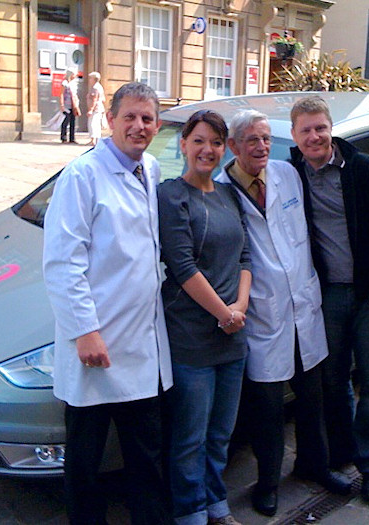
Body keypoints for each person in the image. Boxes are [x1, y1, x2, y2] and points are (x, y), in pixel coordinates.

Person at [43, 82, 172, 525]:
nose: (139, 126)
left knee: (147, 456)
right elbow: (62, 262)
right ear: (112, 119)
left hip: (140, 346)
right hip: (95, 346)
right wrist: (85, 331)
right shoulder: (81, 176)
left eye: (148, 118)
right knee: (85, 461)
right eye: (131, 117)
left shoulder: (151, 170)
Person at [216, 109, 352, 517]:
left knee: (314, 396)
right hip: (261, 313)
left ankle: (315, 465)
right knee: (268, 408)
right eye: (251, 140)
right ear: (234, 146)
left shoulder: (287, 174)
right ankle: (268, 482)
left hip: (303, 304)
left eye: (265, 138)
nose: (260, 146)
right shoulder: (222, 190)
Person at [289, 95, 369, 503]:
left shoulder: (360, 168)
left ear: (330, 128)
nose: (315, 136)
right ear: (295, 135)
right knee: (334, 382)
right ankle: (341, 456)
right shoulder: (291, 176)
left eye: (321, 127)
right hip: (328, 297)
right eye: (306, 130)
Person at [158, 110, 252, 525]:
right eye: (198, 140)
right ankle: (190, 510)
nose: (207, 150)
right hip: (192, 338)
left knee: (220, 433)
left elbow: (246, 256)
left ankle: (216, 501)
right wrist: (224, 313)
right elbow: (182, 266)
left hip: (233, 336)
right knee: (190, 437)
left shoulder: (229, 195)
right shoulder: (172, 195)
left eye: (215, 142)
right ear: (183, 145)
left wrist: (240, 309)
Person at [59, 68, 80, 144]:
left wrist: (77, 105)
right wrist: (62, 105)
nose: (75, 76)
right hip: (66, 105)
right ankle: (63, 137)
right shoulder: (65, 83)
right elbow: (61, 94)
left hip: (73, 105)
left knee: (72, 122)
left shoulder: (73, 83)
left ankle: (72, 138)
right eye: (74, 74)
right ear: (70, 74)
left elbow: (75, 95)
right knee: (65, 121)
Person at [86, 71, 106, 146]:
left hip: (95, 109)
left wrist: (91, 110)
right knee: (97, 124)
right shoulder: (99, 87)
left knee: (92, 124)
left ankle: (93, 140)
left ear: (94, 79)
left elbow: (94, 99)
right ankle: (97, 140)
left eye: (90, 78)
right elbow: (103, 99)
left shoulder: (95, 88)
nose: (89, 80)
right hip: (99, 108)